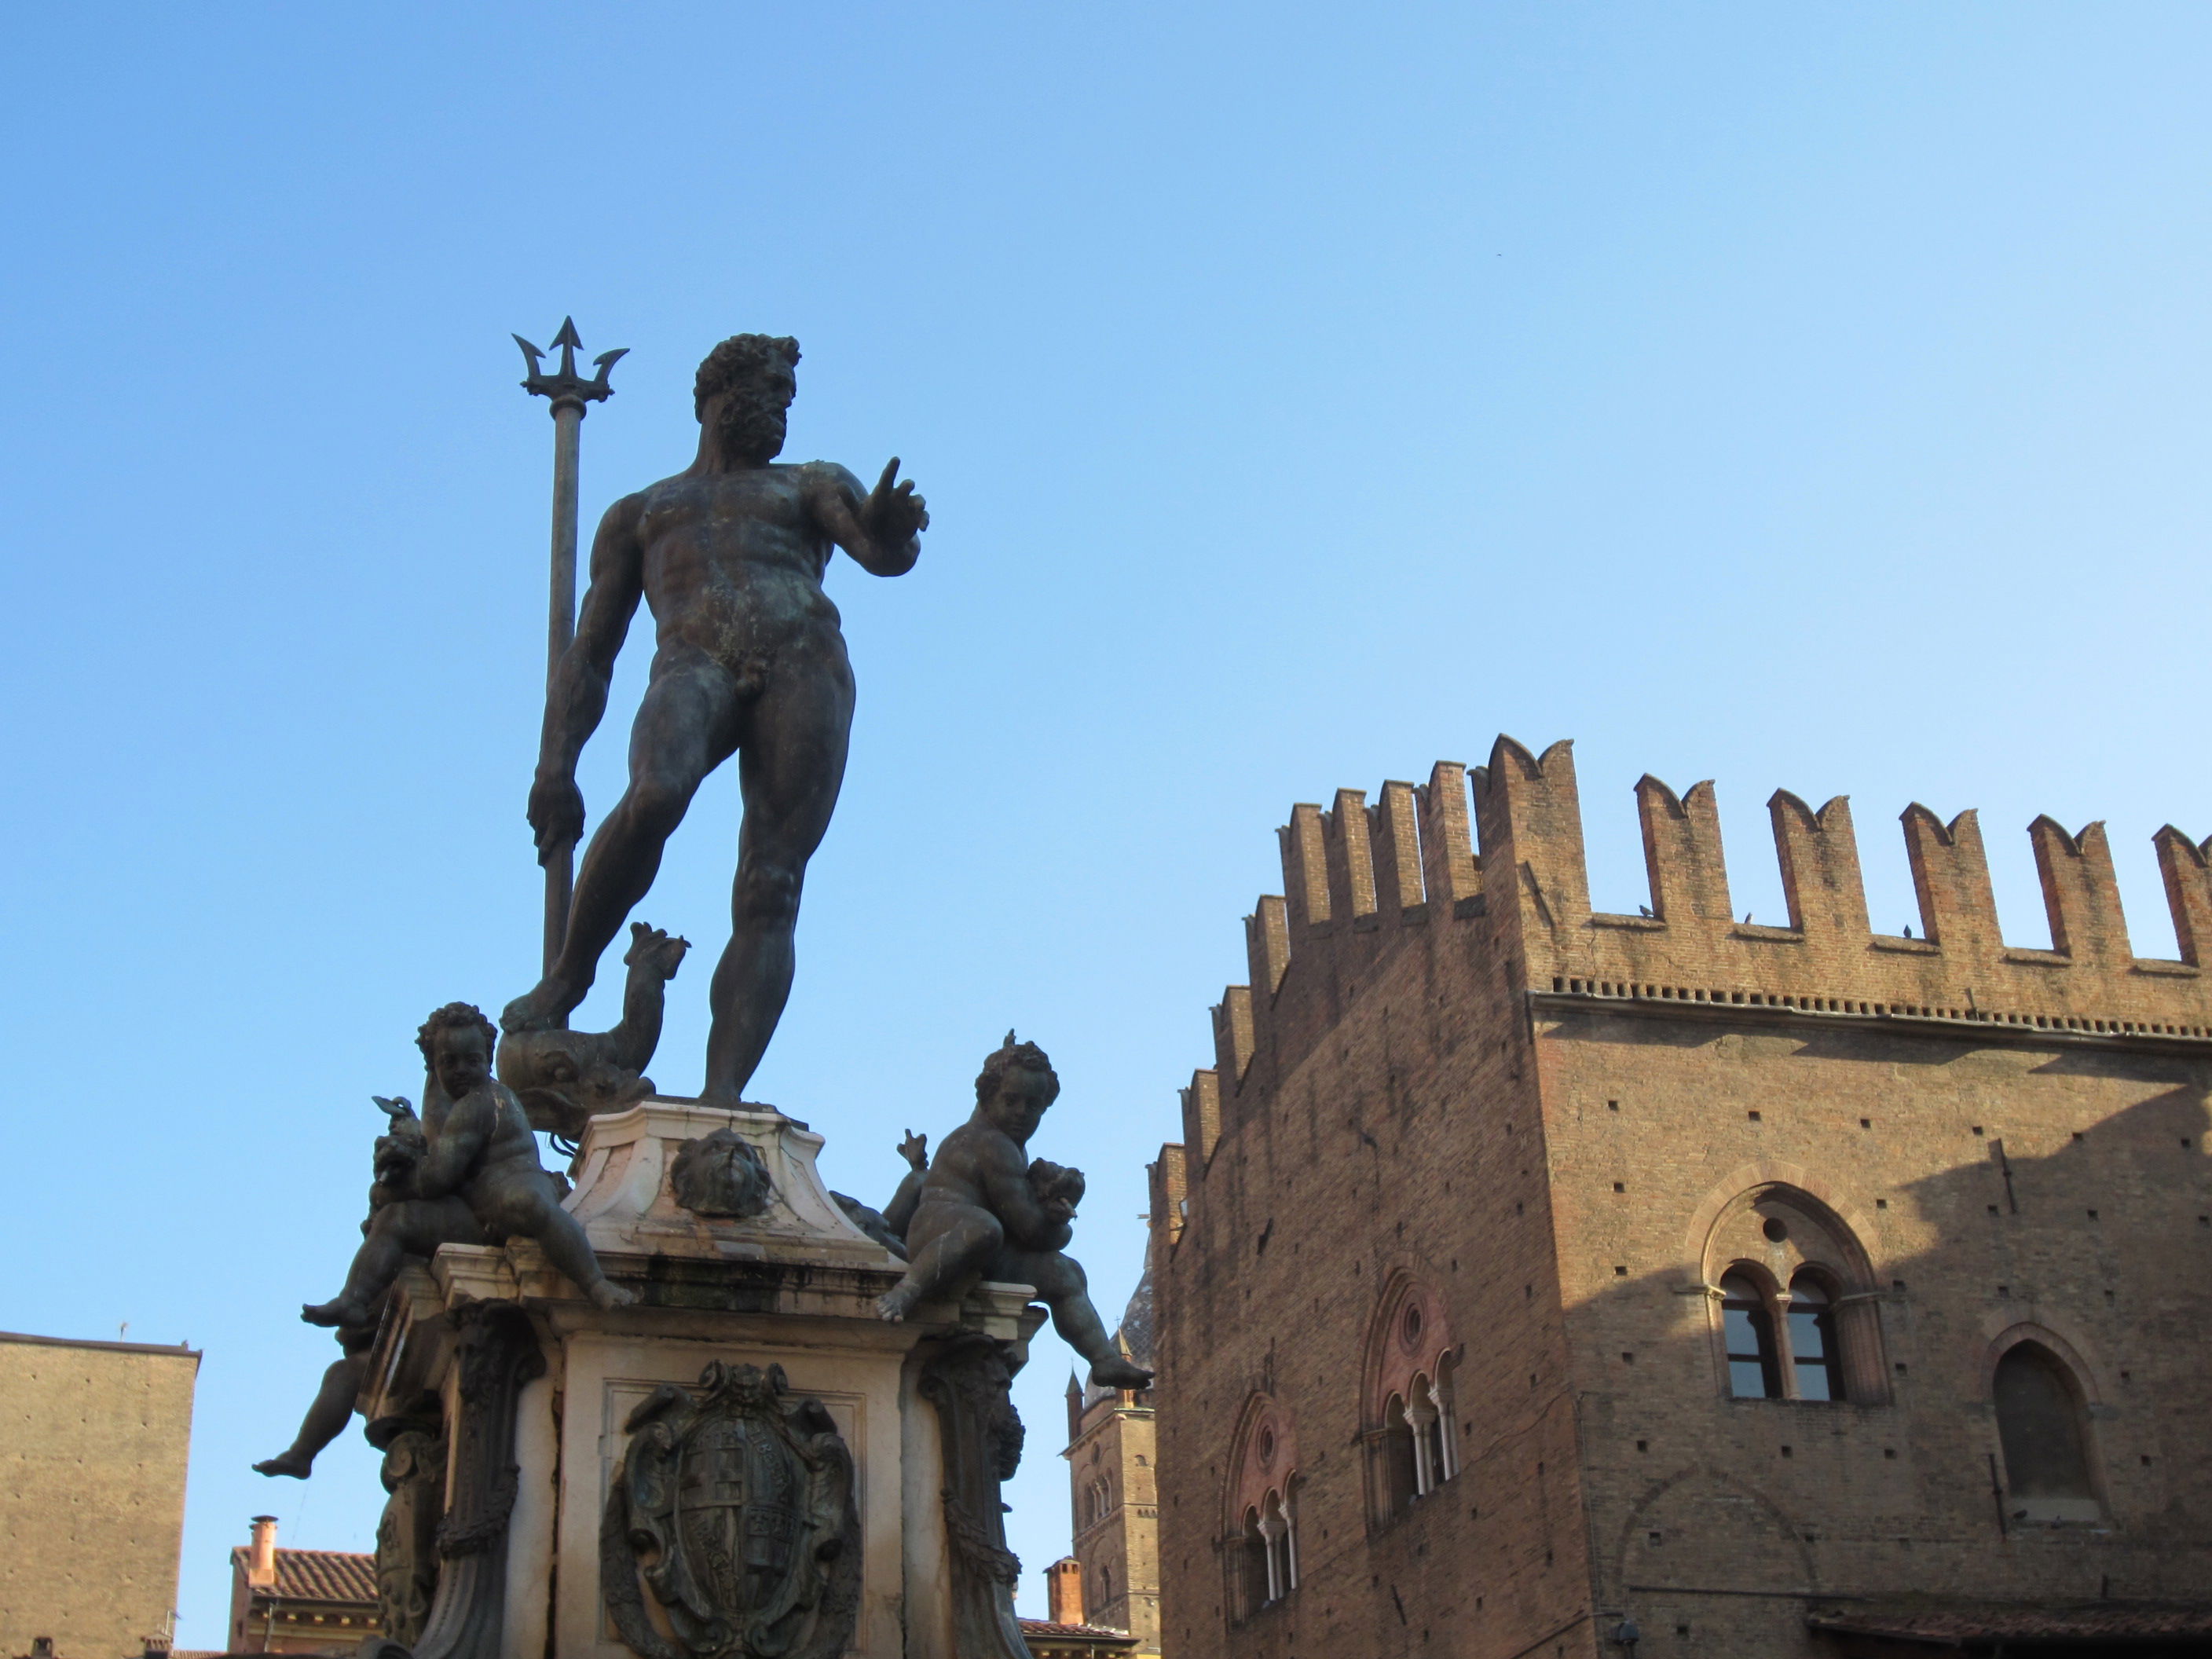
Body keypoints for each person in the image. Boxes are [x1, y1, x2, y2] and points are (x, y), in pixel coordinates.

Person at [502, 334, 927, 1104]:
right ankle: (567, 977)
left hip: (802, 663)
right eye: (764, 394)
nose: (778, 413)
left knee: (771, 882)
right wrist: (554, 767)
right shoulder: (642, 514)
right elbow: (591, 652)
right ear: (714, 399)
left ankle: (721, 1096)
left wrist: (892, 534)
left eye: (787, 400)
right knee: (655, 793)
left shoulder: (809, 484)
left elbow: (873, 547)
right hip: (693, 662)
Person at [302, 1004, 632, 1328]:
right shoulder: (454, 1105)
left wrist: (394, 1186)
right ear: (433, 1066)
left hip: (513, 1190)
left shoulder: (483, 1101)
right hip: (476, 1212)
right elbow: (435, 1147)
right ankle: (354, 1300)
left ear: (488, 1060)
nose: (461, 1070)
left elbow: (437, 1178)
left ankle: (594, 1283)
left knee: (528, 1204)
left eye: (472, 1060)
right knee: (394, 1221)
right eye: (449, 1062)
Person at [876, 1035, 1153, 1390]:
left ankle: (1102, 1359)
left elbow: (1031, 1232)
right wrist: (1060, 1223)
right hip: (938, 1232)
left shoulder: (1008, 1144)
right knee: (984, 1228)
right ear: (988, 1098)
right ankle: (909, 1289)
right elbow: (1030, 1231)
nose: (1022, 1112)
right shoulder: (992, 1144)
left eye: (1034, 1105)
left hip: (984, 1248)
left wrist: (1054, 1217)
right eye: (1011, 1100)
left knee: (1065, 1273)